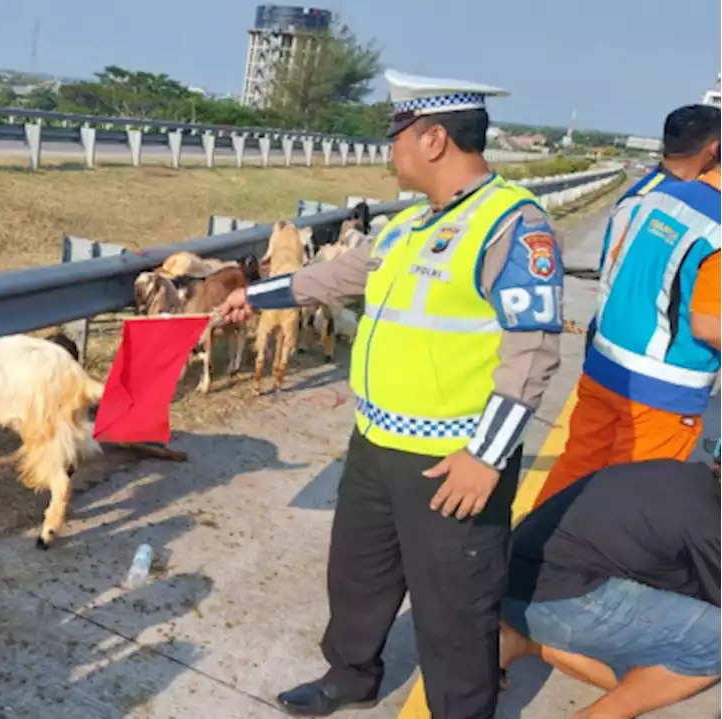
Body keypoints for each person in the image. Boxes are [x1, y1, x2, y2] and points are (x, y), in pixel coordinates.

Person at [219, 69, 564, 718]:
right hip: (377, 442)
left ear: (433, 140)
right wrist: (250, 294)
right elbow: (334, 276)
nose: (391, 148)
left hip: (452, 461)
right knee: (358, 578)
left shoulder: (511, 224)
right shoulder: (408, 228)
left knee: (455, 608)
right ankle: (351, 674)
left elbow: (534, 351)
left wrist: (485, 457)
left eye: (397, 134)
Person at [533, 108, 722, 508]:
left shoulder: (658, 196)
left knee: (576, 471)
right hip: (663, 390)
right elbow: (708, 325)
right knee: (631, 503)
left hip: (607, 365)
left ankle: (535, 553)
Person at [501, 450, 722, 718]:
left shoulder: (680, 475)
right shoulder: (707, 524)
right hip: (557, 594)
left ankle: (524, 642)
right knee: (711, 646)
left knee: (656, 679)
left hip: (522, 581)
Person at [584, 104, 722, 345]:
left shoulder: (667, 195)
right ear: (714, 149)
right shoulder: (647, 200)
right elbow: (615, 274)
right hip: (634, 344)